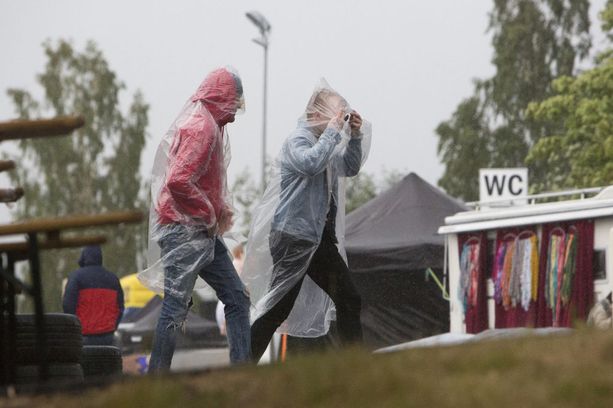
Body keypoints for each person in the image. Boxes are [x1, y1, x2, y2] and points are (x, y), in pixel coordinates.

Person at [242, 80, 372, 362]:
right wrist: (334, 133)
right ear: (314, 115)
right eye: (336, 114)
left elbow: (349, 167)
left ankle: (357, 366)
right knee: (278, 308)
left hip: (316, 238)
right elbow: (310, 163)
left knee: (348, 298)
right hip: (294, 236)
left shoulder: (328, 142)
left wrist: (355, 134)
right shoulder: (298, 140)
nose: (339, 121)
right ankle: (242, 362)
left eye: (343, 115)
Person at [139, 67, 251, 372]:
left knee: (237, 298)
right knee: (176, 307)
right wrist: (209, 211)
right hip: (182, 230)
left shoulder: (211, 125)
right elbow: (178, 181)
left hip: (201, 231)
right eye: (235, 104)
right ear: (222, 98)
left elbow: (201, 180)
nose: (236, 113)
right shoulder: (201, 128)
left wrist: (217, 210)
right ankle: (157, 376)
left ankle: (242, 371)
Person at [63, 245, 124, 346]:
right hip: (108, 337)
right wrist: (113, 326)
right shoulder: (113, 279)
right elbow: (120, 307)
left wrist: (75, 328)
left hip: (83, 336)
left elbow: (67, 305)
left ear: (83, 257)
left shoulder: (76, 277)